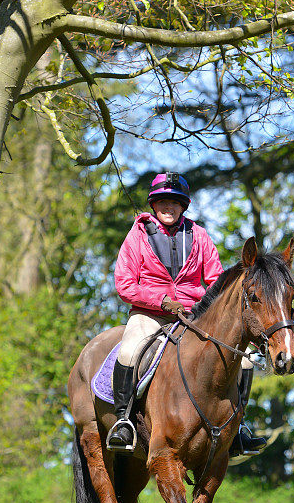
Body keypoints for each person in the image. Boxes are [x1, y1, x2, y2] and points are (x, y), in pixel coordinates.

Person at [108, 171, 266, 461]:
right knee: (129, 351)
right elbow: (125, 284)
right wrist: (161, 301)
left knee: (242, 358)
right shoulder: (138, 235)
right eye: (163, 202)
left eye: (175, 203)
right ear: (154, 205)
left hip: (194, 316)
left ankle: (238, 427)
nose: (169, 207)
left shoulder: (199, 235)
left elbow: (218, 282)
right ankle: (124, 421)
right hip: (150, 314)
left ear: (183, 206)